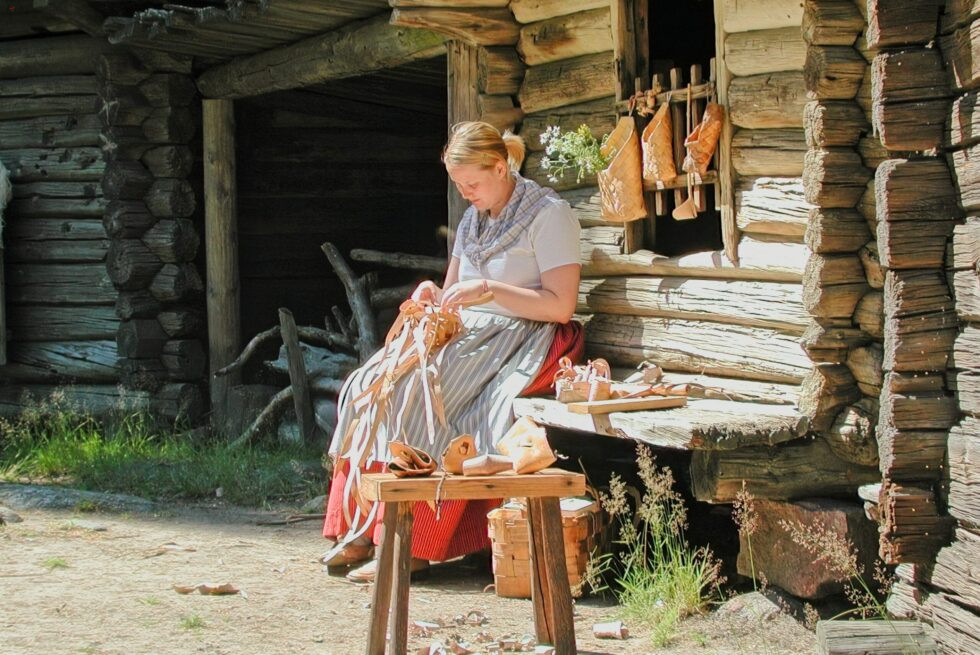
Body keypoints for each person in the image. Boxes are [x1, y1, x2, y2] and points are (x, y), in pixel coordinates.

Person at [322, 121, 583, 582]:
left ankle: (409, 545)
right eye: (459, 185)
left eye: (472, 183)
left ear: (500, 167)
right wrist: (430, 294)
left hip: (524, 334)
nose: (465, 194)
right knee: (370, 384)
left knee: (424, 399)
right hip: (468, 331)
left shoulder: (548, 214)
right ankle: (363, 524)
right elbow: (451, 293)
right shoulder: (471, 220)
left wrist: (488, 289)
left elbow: (560, 306)